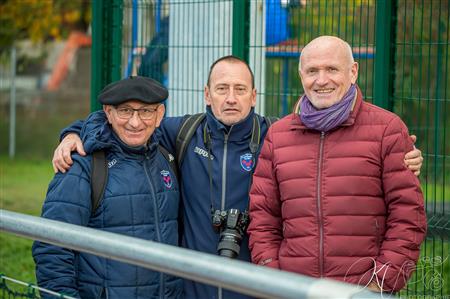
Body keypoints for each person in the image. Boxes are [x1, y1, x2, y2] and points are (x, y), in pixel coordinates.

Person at [51, 56, 423, 299]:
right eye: (223, 89)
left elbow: (334, 154)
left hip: (256, 285)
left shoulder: (277, 137)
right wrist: (76, 132)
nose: (231, 98)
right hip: (190, 288)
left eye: (240, 89)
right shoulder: (181, 133)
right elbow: (128, 122)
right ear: (207, 95)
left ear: (253, 95)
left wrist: (399, 153)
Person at [247, 36, 427, 294]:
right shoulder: (278, 135)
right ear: (301, 76)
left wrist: (381, 281)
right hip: (293, 290)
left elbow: (408, 215)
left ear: (353, 72)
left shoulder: (387, 129)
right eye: (312, 71)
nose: (321, 80)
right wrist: (272, 274)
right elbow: (263, 216)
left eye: (332, 69)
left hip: (363, 290)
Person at [32, 76, 183, 299]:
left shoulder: (166, 155)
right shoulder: (83, 166)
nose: (135, 122)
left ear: (159, 115)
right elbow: (52, 248)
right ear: (108, 113)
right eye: (125, 111)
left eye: (145, 112)